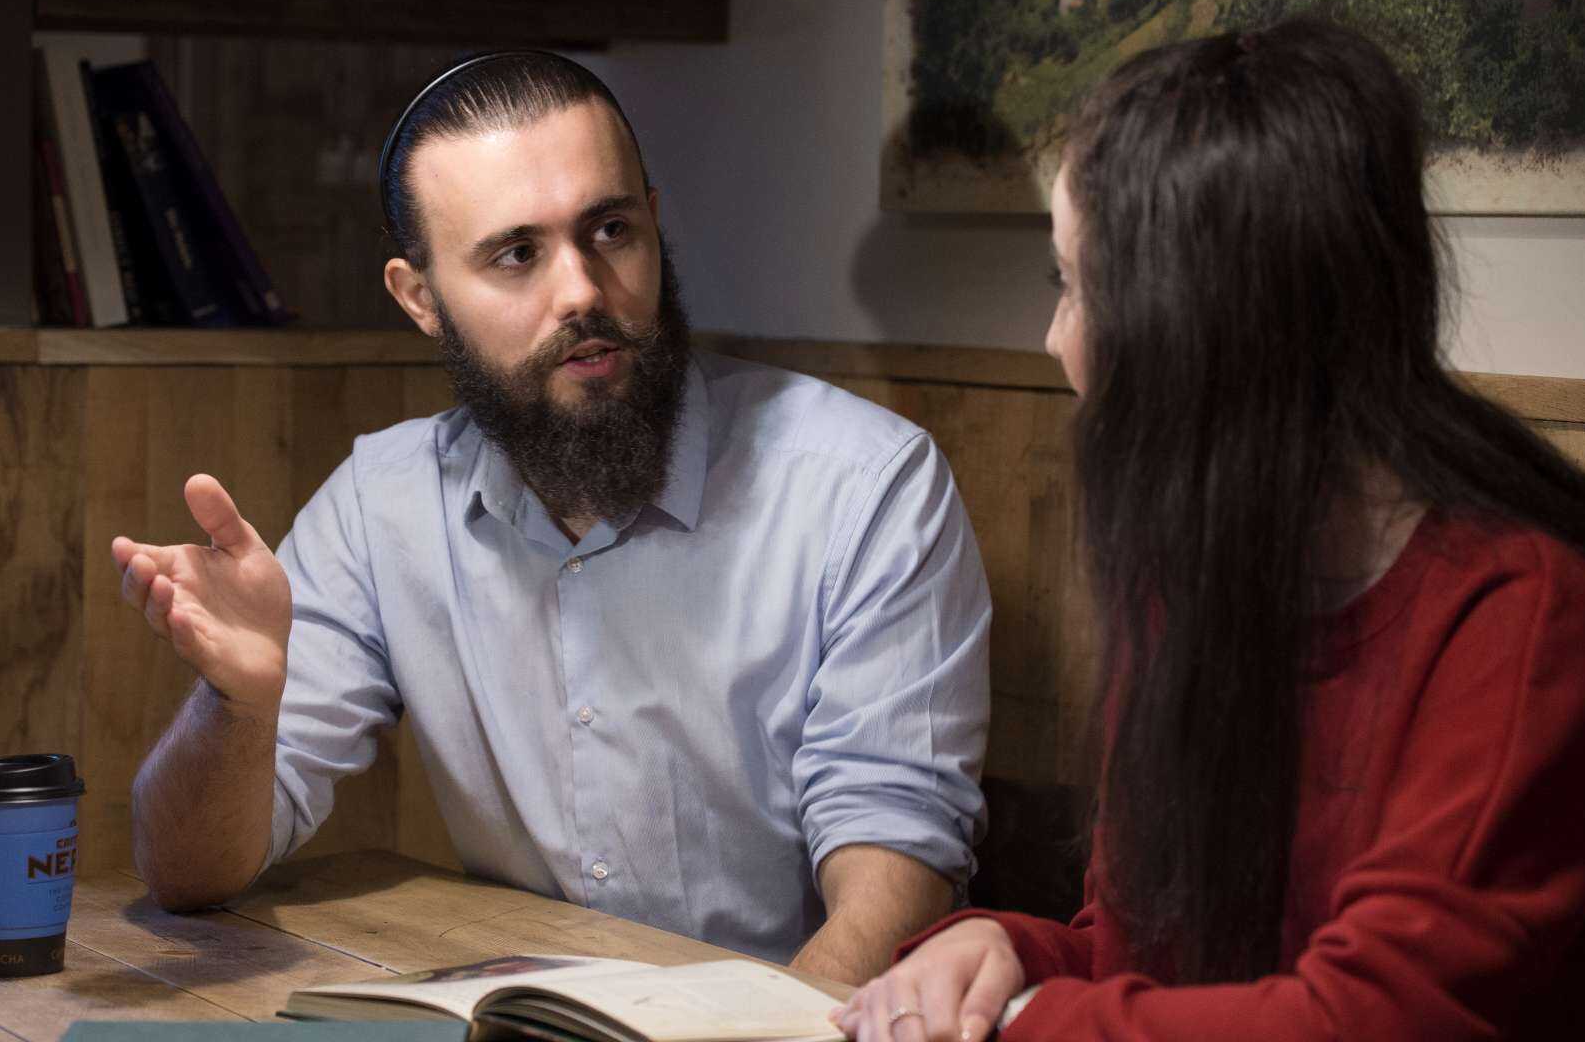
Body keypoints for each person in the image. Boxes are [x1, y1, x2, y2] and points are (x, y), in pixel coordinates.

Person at [110, 50, 993, 984]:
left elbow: (896, 876)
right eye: (517, 254)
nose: (580, 290)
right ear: (421, 299)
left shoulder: (866, 486)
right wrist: (236, 705)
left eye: (610, 229)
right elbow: (187, 877)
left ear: (654, 223)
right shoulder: (383, 505)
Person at [836, 18, 1585, 1041]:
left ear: (1196, 335)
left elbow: (1366, 1019)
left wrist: (1032, 1021)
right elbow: (1154, 964)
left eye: (1076, 287)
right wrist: (1008, 951)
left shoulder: (1520, 617)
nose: (1055, 338)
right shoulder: (1202, 574)